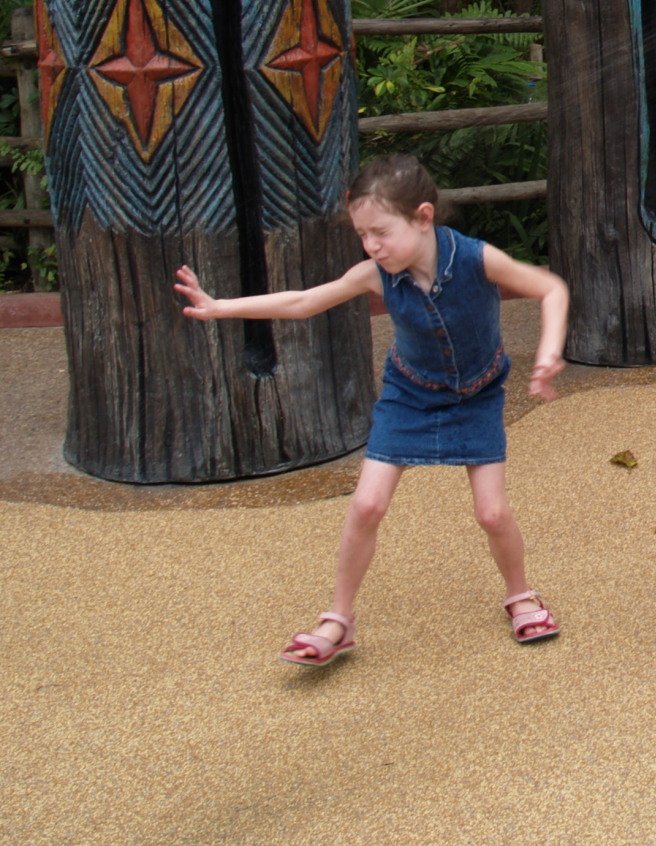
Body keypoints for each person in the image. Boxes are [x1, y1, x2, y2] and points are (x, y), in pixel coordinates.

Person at [173, 154, 570, 666]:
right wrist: (221, 306)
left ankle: (520, 594)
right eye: (363, 234)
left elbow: (550, 287)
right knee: (366, 506)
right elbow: (302, 302)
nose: (371, 246)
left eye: (380, 232)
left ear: (423, 217)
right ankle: (338, 619)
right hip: (409, 394)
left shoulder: (476, 259)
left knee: (492, 513)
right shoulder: (373, 275)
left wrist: (549, 351)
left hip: (477, 394)